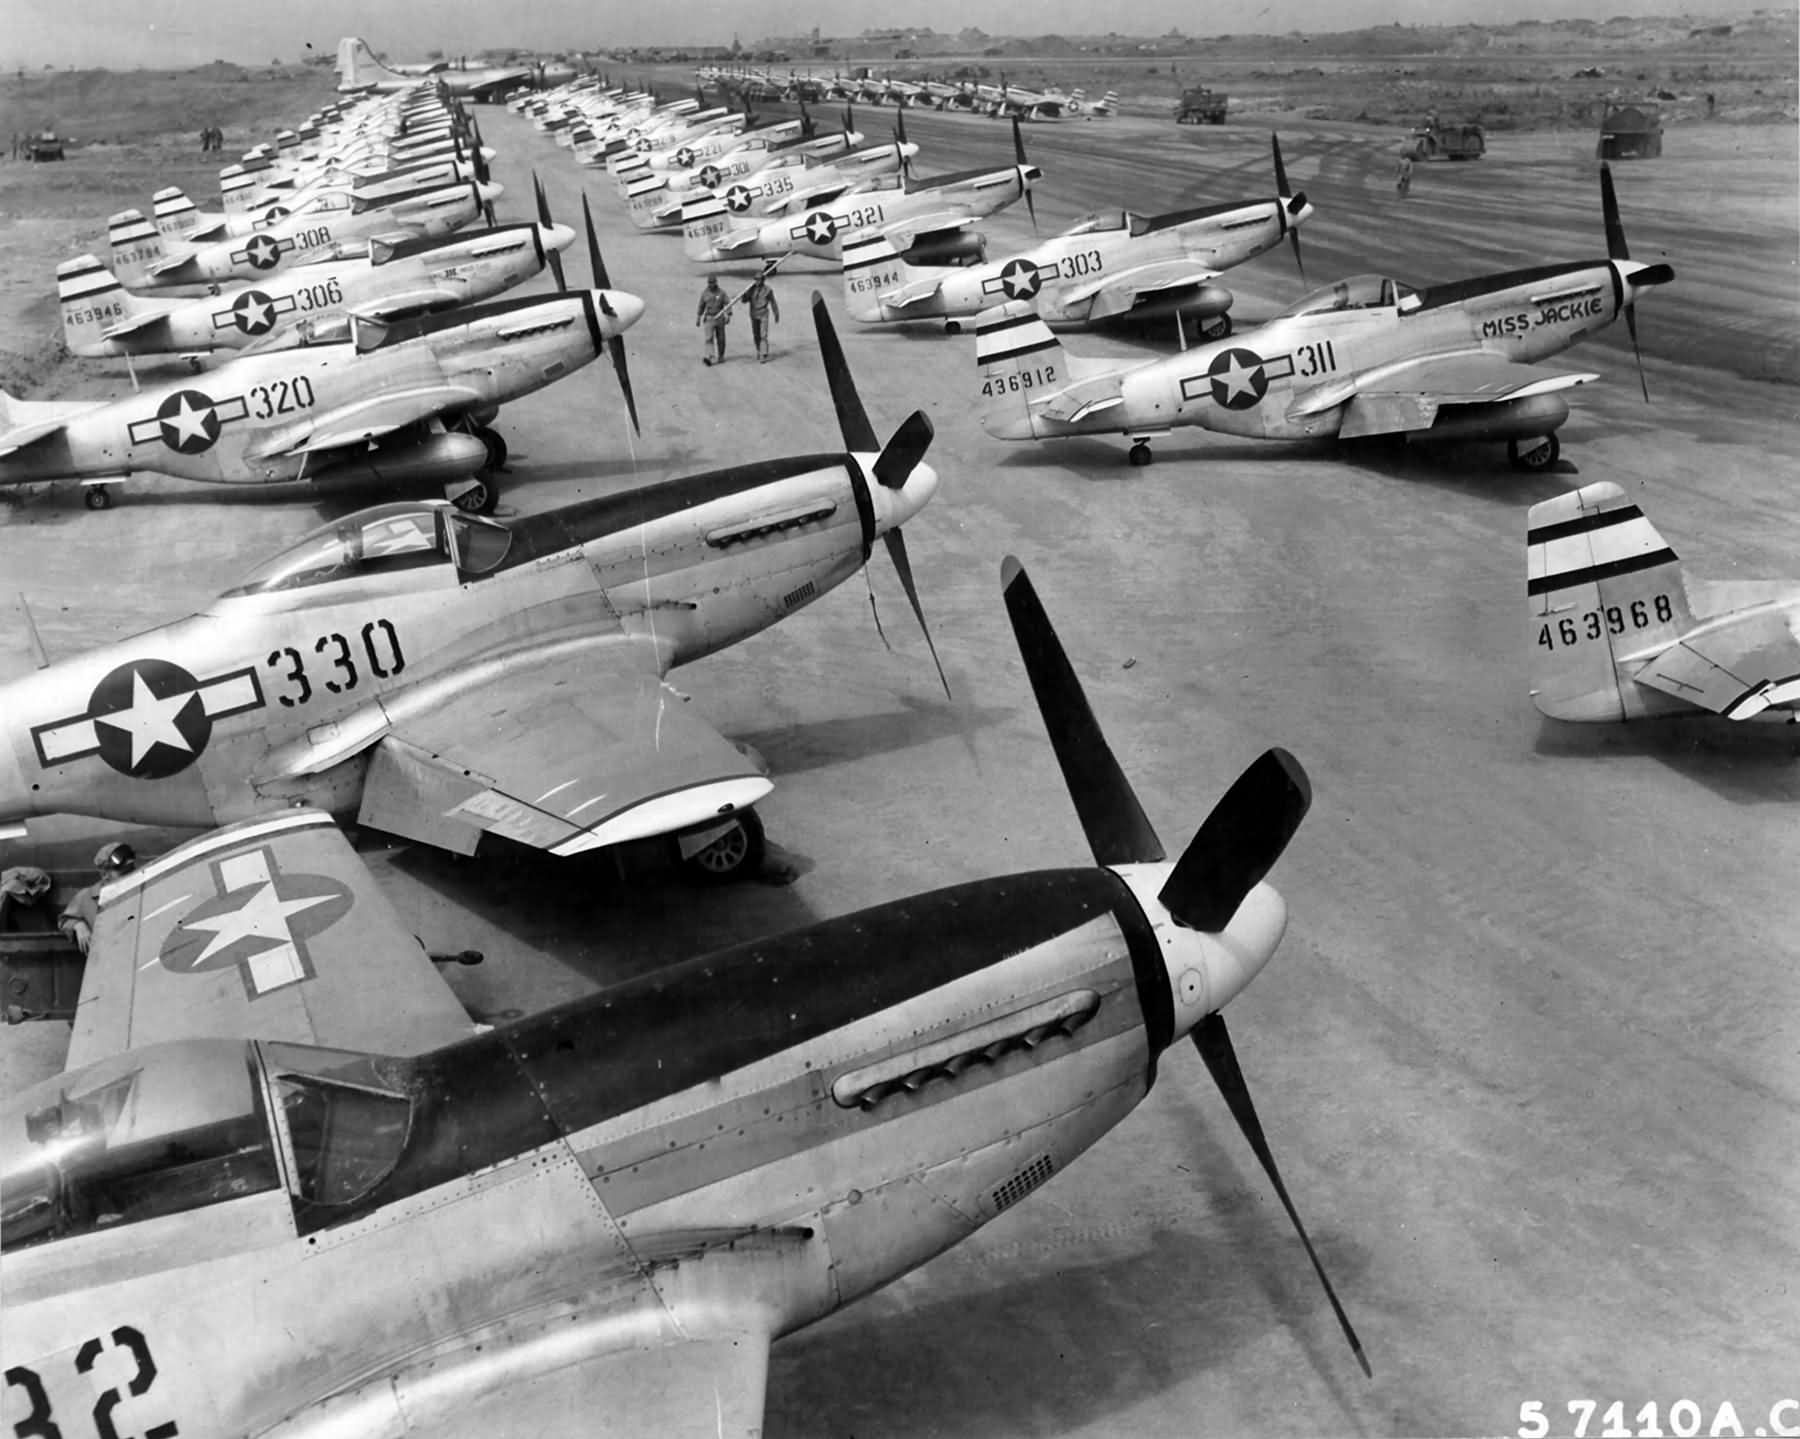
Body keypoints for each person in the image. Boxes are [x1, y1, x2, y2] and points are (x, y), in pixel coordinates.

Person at [57, 842, 136, 956]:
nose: (131, 875)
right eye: (123, 872)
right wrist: (78, 925)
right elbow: (64, 920)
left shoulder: (142, 888)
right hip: (105, 959)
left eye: (131, 869)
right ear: (105, 874)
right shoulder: (87, 897)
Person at [745, 272, 780, 362]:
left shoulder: (768, 290)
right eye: (756, 279)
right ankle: (759, 350)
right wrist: (746, 293)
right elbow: (744, 300)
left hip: (763, 313)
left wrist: (776, 313)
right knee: (756, 334)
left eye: (759, 279)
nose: (757, 281)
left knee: (763, 335)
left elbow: (773, 302)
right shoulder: (751, 289)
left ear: (763, 280)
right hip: (754, 314)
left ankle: (763, 354)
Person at [696, 274, 730, 365]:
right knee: (709, 338)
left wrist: (728, 314)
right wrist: (698, 317)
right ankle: (710, 356)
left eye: (712, 282)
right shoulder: (705, 293)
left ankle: (721, 356)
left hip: (719, 317)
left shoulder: (721, 293)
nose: (711, 284)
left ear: (716, 282)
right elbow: (701, 305)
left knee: (721, 338)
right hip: (709, 317)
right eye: (709, 283)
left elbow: (728, 303)